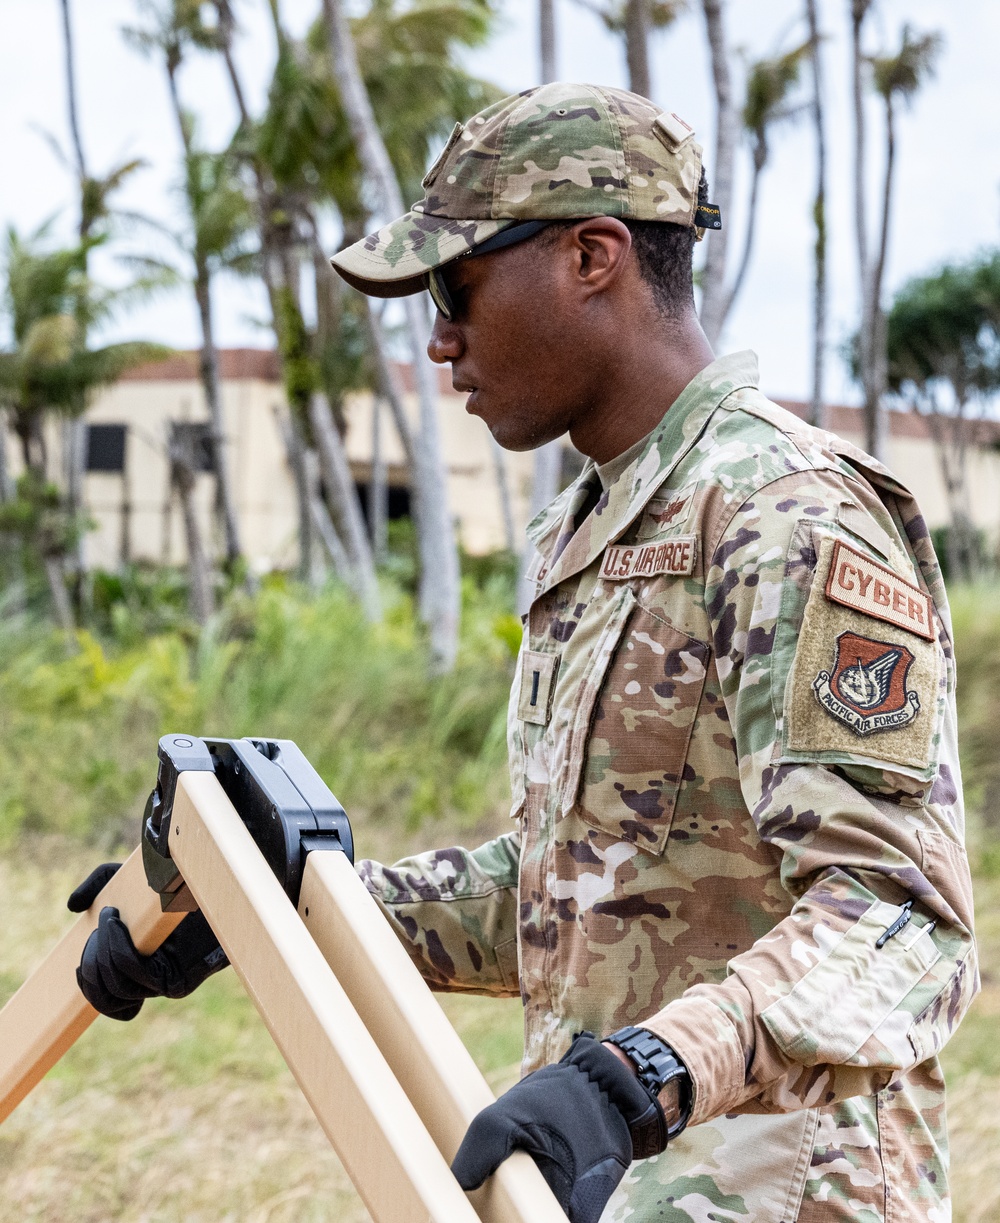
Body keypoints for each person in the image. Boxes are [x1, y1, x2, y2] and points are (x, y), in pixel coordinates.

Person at [72, 83, 978, 1223]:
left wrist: (645, 1073)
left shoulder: (786, 513)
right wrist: (271, 907)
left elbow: (901, 918)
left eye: (457, 288)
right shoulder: (590, 527)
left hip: (785, 1193)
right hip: (607, 1188)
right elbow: (576, 895)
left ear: (591, 256)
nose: (441, 338)